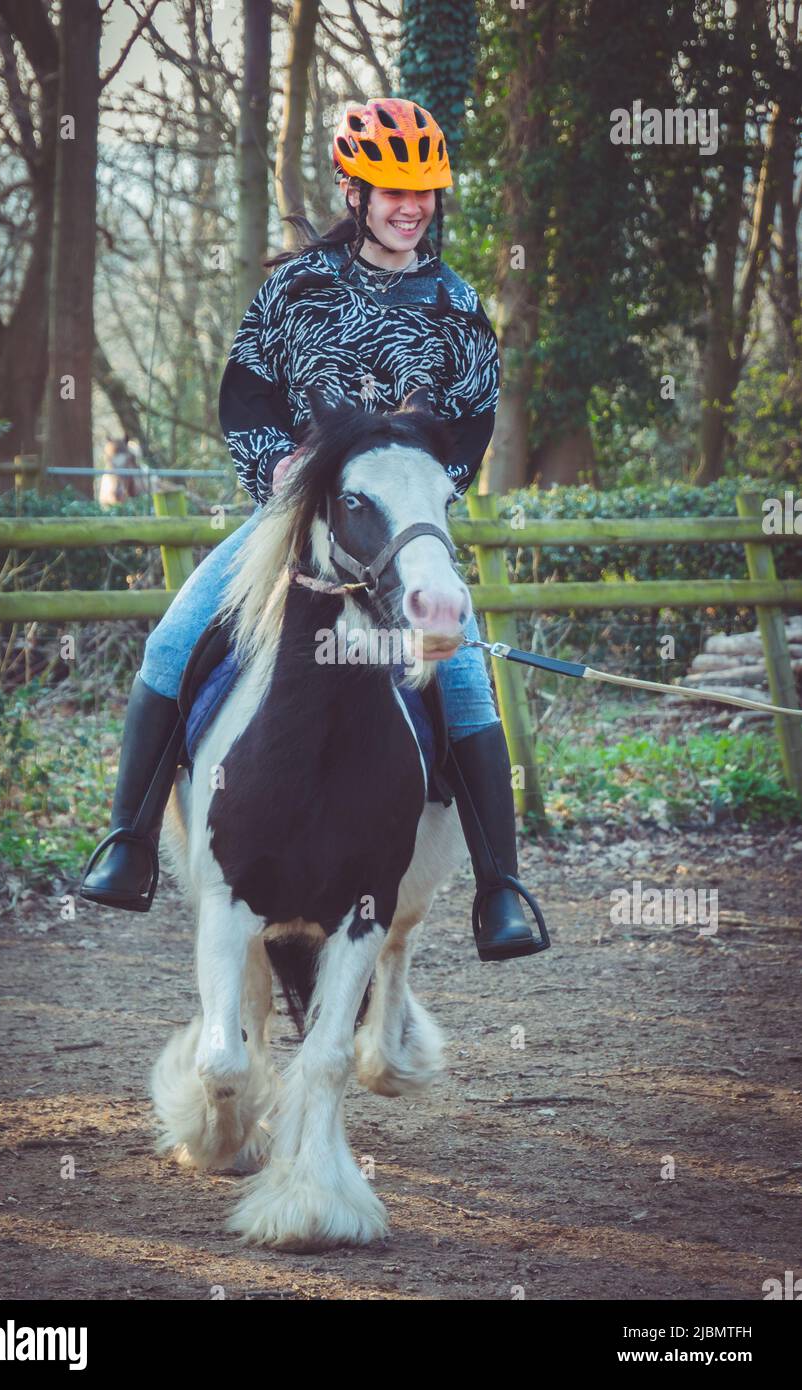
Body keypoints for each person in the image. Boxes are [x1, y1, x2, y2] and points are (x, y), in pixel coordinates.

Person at [80, 97, 544, 962]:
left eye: (425, 192)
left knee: (466, 677)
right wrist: (278, 471)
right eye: (392, 190)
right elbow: (249, 395)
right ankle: (128, 844)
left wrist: (419, 493)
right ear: (355, 190)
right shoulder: (296, 286)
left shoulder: (455, 302)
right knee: (175, 638)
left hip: (400, 530)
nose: (411, 207)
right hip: (293, 520)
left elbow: (471, 421)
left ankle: (501, 890)